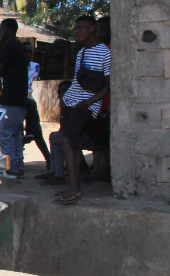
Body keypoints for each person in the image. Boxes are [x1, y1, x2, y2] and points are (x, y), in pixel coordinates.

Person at [57, 15, 111, 204]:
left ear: (92, 28)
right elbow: (78, 82)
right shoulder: (81, 53)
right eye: (75, 28)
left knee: (65, 139)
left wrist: (89, 103)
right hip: (75, 103)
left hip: (88, 105)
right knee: (74, 143)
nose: (77, 31)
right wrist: (67, 99)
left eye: (81, 28)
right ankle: (74, 183)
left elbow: (107, 87)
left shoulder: (105, 53)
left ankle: (74, 188)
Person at [0, 19, 29, 178]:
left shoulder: (8, 47)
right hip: (21, 97)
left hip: (10, 96)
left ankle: (10, 168)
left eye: (1, 29)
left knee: (5, 132)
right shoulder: (21, 47)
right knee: (15, 134)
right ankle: (17, 166)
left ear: (8, 30)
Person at [22, 42, 51, 169]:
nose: (28, 55)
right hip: (18, 100)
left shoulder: (35, 66)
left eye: (30, 52)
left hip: (27, 99)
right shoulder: (15, 66)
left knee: (37, 132)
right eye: (25, 52)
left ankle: (49, 159)